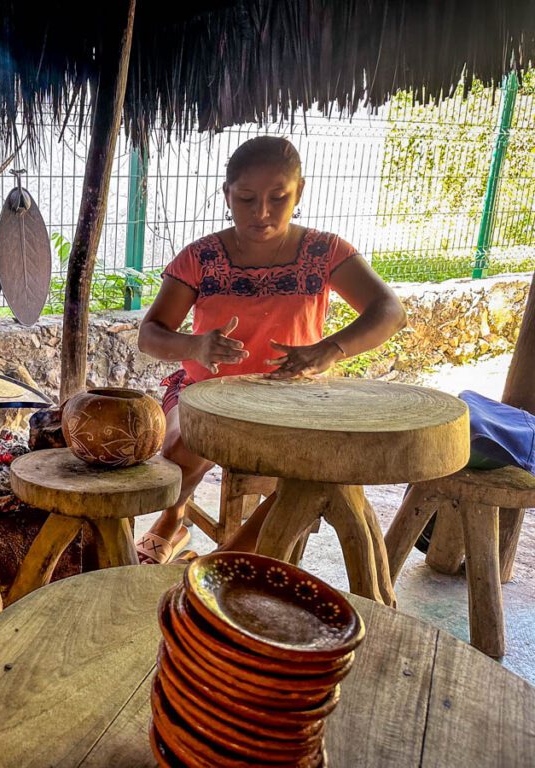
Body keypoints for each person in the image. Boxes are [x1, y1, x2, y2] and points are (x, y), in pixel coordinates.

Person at [135, 136, 407, 564]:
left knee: (312, 476)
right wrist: (196, 345)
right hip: (206, 394)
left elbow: (389, 310)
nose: (261, 212)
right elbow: (149, 333)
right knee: (179, 453)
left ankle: (230, 556)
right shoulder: (202, 257)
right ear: (227, 195)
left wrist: (330, 349)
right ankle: (172, 520)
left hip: (292, 400)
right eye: (246, 198)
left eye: (278, 197)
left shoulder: (325, 251)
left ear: (300, 192)